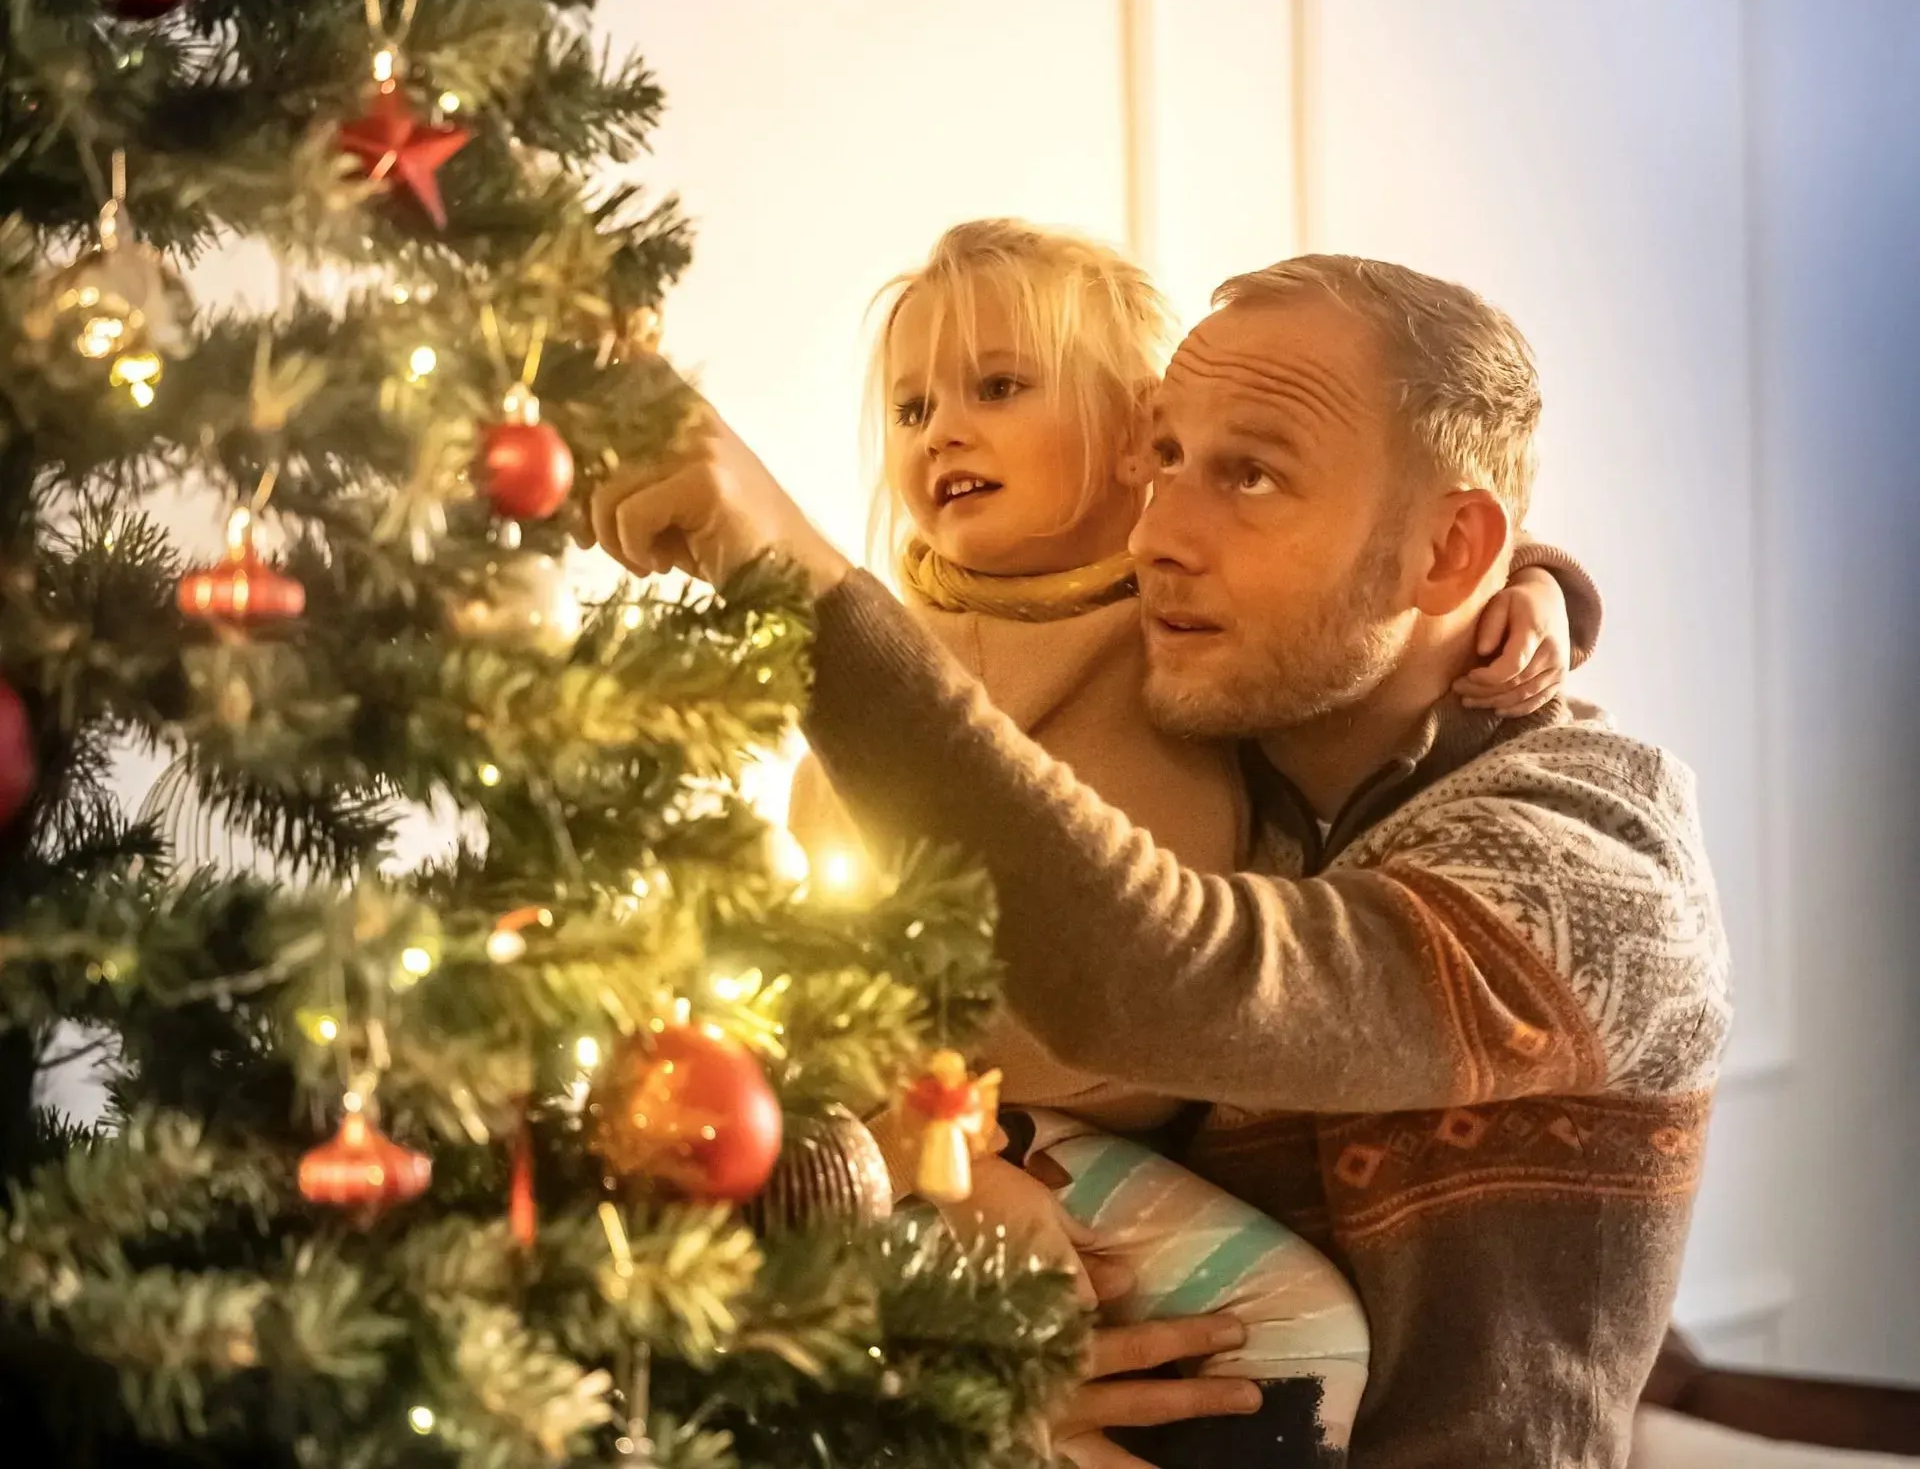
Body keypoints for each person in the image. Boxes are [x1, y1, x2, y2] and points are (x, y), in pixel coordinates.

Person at [591, 253, 1732, 1469]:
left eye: (1248, 475)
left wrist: (786, 565)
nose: (1156, 535)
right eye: (1161, 459)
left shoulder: (1598, 862)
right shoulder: (1228, 750)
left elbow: (1161, 977)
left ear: (1451, 555)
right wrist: (982, 1350)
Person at [787, 220, 1602, 1466]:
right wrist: (943, 1181)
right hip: (984, 1122)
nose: (939, 431)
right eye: (908, 408)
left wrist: (1539, 590)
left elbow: (1373, 595)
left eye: (999, 387)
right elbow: (830, 969)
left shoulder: (1179, 623)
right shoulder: (939, 676)